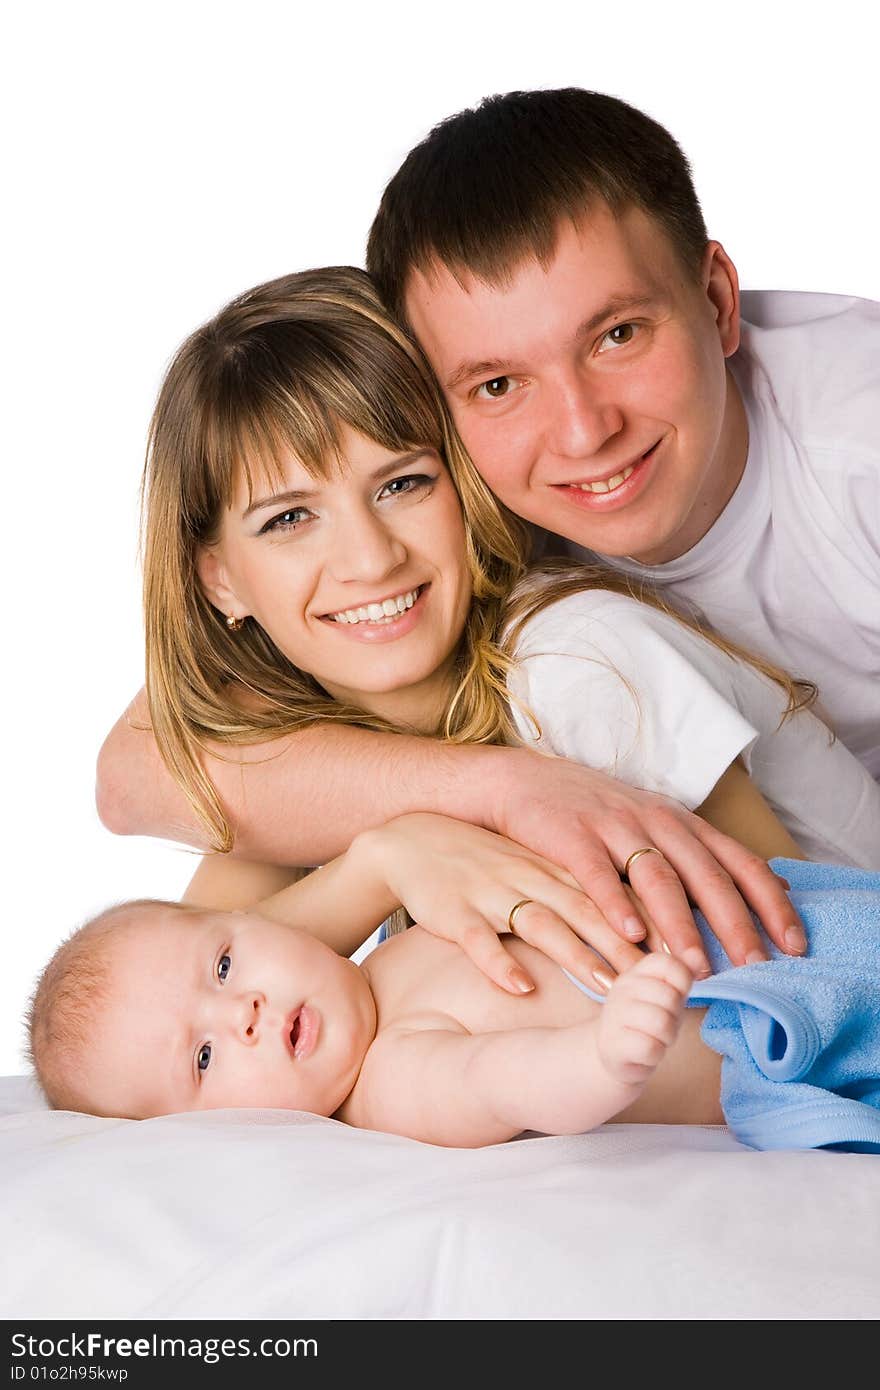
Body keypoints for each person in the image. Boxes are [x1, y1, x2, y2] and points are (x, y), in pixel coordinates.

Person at [95, 87, 879, 970]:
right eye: (498, 384)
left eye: (619, 334)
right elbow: (140, 792)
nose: (583, 433)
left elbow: (816, 967)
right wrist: (430, 830)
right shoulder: (446, 546)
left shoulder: (848, 444)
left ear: (718, 299)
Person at [27, 853, 880, 1153]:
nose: (241, 1010)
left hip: (774, 929)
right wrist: (600, 1053)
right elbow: (497, 1078)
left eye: (220, 963)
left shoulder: (398, 946)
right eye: (204, 1058)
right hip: (768, 1026)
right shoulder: (387, 1081)